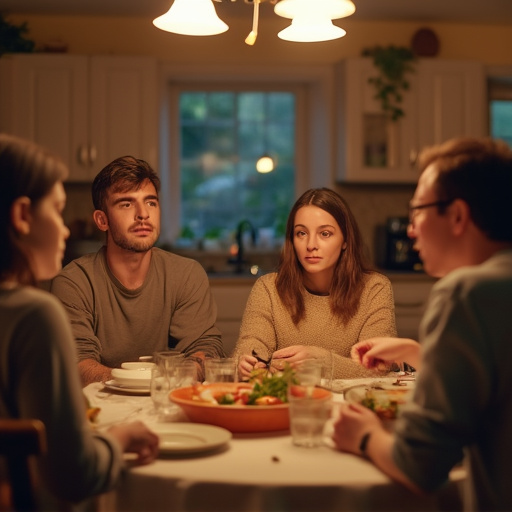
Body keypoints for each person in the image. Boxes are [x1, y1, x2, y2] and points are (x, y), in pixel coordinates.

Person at [332, 136, 512, 512]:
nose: (410, 230)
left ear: (458, 216)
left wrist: (364, 435)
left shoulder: (467, 294)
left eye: (417, 211)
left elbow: (420, 466)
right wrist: (421, 353)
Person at [0, 134, 159, 509]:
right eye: (56, 211)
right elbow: (74, 476)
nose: (66, 229)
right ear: (22, 216)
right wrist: (119, 438)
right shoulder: (34, 314)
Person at [50, 155, 224, 386]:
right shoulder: (74, 282)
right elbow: (77, 363)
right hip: (101, 409)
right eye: (126, 203)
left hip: (169, 401)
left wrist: (184, 372)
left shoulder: (186, 274)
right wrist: (145, 381)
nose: (143, 214)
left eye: (151, 202)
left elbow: (205, 347)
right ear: (102, 220)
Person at [234, 187, 397, 380]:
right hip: (285, 402)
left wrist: (321, 362)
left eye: (325, 234)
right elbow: (251, 345)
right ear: (292, 240)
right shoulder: (269, 288)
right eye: (301, 233)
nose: (311, 244)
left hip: (350, 404)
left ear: (345, 240)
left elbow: (378, 366)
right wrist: (246, 363)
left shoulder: (374, 288)